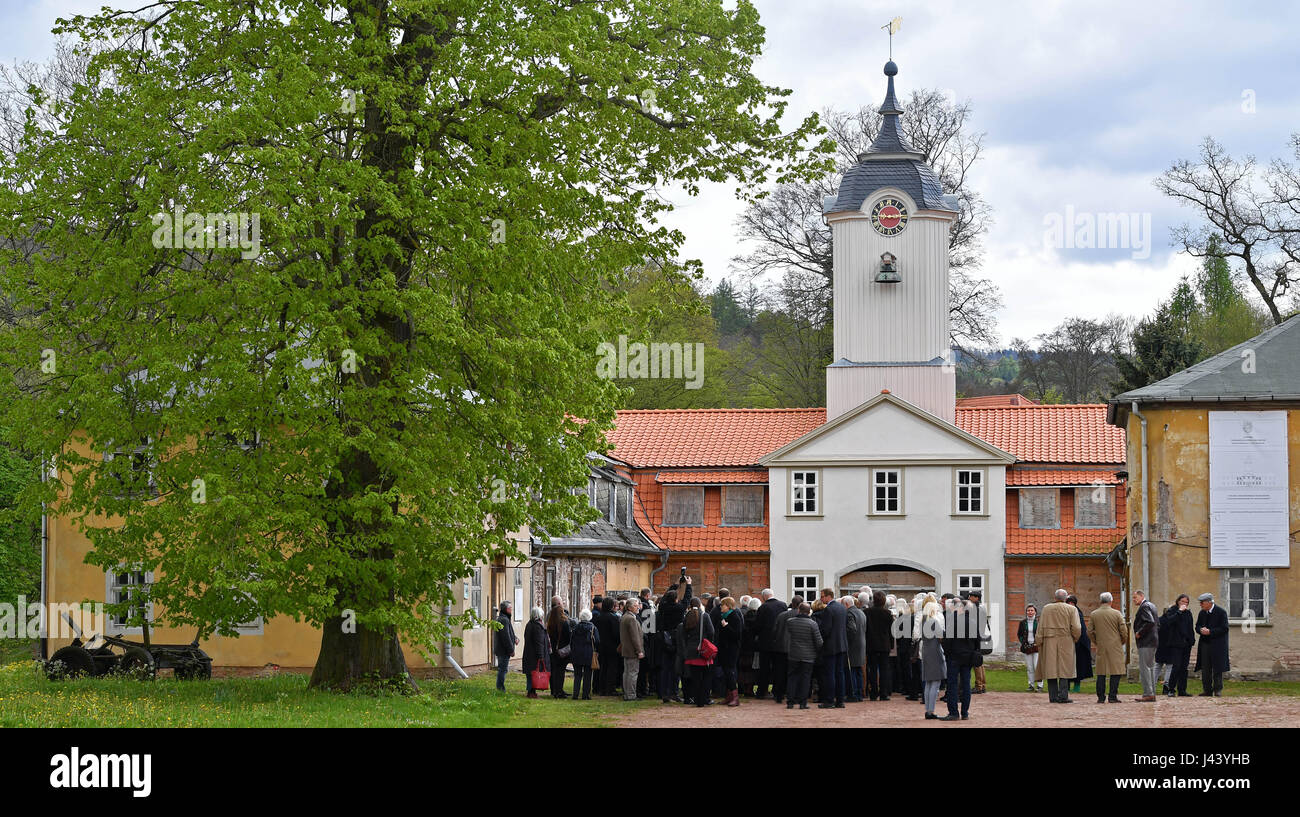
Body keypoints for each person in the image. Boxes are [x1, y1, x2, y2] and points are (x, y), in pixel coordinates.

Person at [940, 596, 979, 721]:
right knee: (966, 684)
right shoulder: (973, 623)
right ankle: (965, 712)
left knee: (952, 684)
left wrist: (948, 653)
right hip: (967, 657)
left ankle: (953, 712)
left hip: (954, 657)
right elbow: (977, 641)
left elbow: (947, 642)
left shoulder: (953, 622)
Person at [1039, 589, 1081, 704]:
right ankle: (1063, 695)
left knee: (1051, 668)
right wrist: (1075, 638)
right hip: (1066, 639)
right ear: (1066, 598)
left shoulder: (1046, 608)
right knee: (1065, 668)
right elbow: (1076, 627)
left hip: (1049, 640)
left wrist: (1039, 640)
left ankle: (1053, 696)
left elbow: (1040, 625)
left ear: (1055, 597)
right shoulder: (1072, 609)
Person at [1088, 592, 1128, 704]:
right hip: (1115, 645)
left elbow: (1090, 631)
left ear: (1100, 601)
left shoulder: (1094, 614)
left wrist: (1096, 641)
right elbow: (1123, 630)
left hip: (1101, 645)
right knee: (1116, 671)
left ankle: (1101, 697)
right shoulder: (1117, 613)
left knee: (1101, 672)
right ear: (1111, 601)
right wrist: (1122, 641)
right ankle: (1112, 696)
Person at [656, 577, 692, 703]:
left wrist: (675, 585)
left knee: (665, 667)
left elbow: (665, 597)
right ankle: (673, 692)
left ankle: (664, 693)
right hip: (676, 639)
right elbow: (687, 599)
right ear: (676, 599)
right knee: (676, 667)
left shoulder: (663, 607)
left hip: (664, 638)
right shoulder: (679, 608)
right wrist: (688, 585)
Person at [783, 601, 823, 710]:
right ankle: (803, 703)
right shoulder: (812, 624)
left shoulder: (790, 622)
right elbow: (819, 642)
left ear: (799, 610)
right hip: (808, 656)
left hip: (793, 654)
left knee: (792, 678)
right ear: (809, 612)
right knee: (805, 679)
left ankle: (790, 702)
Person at [678, 597, 716, 707]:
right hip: (703, 651)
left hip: (691, 651)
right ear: (700, 605)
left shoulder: (688, 616)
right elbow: (711, 632)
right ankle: (704, 699)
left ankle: (696, 699)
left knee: (695, 678)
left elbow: (684, 633)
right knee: (706, 677)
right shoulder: (705, 616)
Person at [1156, 594, 1195, 697]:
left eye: (1186, 602)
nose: (1184, 604)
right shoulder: (1172, 611)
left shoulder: (1188, 613)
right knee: (1176, 666)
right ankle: (1171, 689)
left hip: (1186, 643)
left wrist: (1192, 640)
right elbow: (1169, 622)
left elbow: (1190, 627)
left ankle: (1182, 690)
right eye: (1182, 601)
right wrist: (1179, 611)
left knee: (1184, 668)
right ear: (1178, 601)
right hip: (1176, 643)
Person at [755, 588, 788, 702]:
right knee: (779, 668)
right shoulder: (783, 605)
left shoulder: (763, 608)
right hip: (780, 642)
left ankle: (762, 691)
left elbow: (758, 625)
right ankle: (779, 691)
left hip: (765, 643)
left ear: (764, 597)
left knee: (764, 668)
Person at [817, 589, 848, 708]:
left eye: (822, 596)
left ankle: (829, 700)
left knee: (830, 674)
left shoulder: (829, 609)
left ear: (829, 596)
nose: (821, 599)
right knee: (840, 673)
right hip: (841, 645)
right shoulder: (841, 608)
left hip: (831, 646)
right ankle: (840, 700)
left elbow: (826, 630)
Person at [1194, 592, 1229, 697]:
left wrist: (1210, 631)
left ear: (1209, 602)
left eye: (1202, 602)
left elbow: (1224, 628)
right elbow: (1197, 626)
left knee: (1217, 668)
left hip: (1217, 644)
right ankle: (1207, 690)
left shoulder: (1221, 612)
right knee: (1205, 668)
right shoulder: (1202, 613)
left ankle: (1218, 690)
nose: (1200, 605)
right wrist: (1200, 630)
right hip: (1205, 644)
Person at [917, 600, 946, 719]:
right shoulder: (933, 621)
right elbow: (941, 636)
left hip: (926, 650)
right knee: (935, 682)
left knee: (929, 682)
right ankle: (931, 710)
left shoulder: (922, 621)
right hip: (934, 651)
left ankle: (928, 710)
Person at [865, 590, 894, 701]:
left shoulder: (867, 612)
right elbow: (891, 631)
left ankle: (873, 693)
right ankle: (884, 693)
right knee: (884, 670)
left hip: (871, 644)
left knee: (872, 669)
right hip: (884, 645)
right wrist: (891, 645)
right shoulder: (887, 613)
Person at [1132, 589, 1160, 702]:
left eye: (1135, 598)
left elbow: (1150, 622)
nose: (1133, 600)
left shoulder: (1144, 607)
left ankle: (1148, 693)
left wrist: (1139, 632)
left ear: (1141, 596)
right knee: (1150, 667)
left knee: (1145, 668)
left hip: (1146, 641)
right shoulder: (1151, 605)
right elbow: (1157, 623)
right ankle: (1151, 693)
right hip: (1152, 640)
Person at [717, 596, 744, 706]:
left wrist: (726, 627)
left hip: (731, 649)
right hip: (724, 649)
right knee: (726, 672)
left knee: (730, 672)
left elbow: (737, 635)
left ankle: (734, 697)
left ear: (728, 606)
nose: (720, 607)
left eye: (722, 605)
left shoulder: (734, 616)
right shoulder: (724, 616)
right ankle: (729, 696)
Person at [545, 596, 572, 699]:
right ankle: (559, 691)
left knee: (554, 670)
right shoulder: (564, 622)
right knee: (561, 672)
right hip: (562, 650)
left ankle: (554, 690)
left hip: (552, 649)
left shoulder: (550, 621)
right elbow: (568, 636)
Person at [570, 608, 600, 700]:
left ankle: (575, 694)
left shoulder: (575, 628)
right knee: (588, 675)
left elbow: (571, 641)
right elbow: (597, 641)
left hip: (576, 653)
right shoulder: (593, 628)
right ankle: (585, 695)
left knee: (577, 675)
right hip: (588, 653)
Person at [522, 607, 551, 699]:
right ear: (539, 616)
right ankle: (531, 692)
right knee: (534, 673)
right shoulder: (537, 626)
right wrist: (541, 656)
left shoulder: (529, 624)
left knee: (530, 673)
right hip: (534, 655)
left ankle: (531, 691)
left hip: (529, 653)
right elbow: (539, 643)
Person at [1066, 594, 1092, 694]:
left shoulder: (1077, 612)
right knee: (1067, 666)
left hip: (1079, 644)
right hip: (1069, 643)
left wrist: (1076, 639)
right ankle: (1066, 685)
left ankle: (1076, 685)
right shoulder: (1067, 612)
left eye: (1069, 603)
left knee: (1078, 665)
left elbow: (1079, 628)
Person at [619, 598, 645, 700]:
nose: (638, 607)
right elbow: (635, 637)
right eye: (635, 605)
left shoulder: (625, 617)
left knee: (627, 673)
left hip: (626, 649)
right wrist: (639, 651)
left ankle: (627, 693)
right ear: (629, 607)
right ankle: (631, 695)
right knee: (632, 673)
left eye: (637, 604)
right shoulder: (631, 619)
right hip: (632, 650)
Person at [596, 596, 621, 695]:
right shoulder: (613, 617)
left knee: (603, 667)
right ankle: (610, 688)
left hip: (601, 645)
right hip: (612, 646)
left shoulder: (599, 616)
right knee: (612, 668)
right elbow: (616, 633)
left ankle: (602, 688)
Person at [894, 597, 917, 701]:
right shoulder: (914, 618)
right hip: (910, 646)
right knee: (910, 669)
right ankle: (911, 688)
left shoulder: (905, 618)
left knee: (906, 669)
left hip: (905, 646)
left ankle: (907, 688)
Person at [845, 593, 867, 703]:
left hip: (853, 645)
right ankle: (859, 693)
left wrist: (846, 640)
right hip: (862, 644)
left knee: (853, 670)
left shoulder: (849, 613)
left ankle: (853, 694)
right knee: (858, 670)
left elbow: (851, 629)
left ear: (846, 604)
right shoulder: (861, 612)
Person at [968, 589, 991, 694]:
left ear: (977, 598)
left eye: (971, 596)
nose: (969, 598)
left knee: (976, 663)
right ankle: (982, 685)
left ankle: (979, 685)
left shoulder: (975, 608)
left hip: (975, 638)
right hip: (980, 636)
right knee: (980, 663)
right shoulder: (982, 608)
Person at [493, 600, 518, 692]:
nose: (512, 610)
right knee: (502, 669)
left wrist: (515, 638)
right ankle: (500, 688)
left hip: (501, 649)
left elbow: (509, 633)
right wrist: (511, 650)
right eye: (511, 608)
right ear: (507, 609)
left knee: (502, 669)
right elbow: (505, 637)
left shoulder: (504, 618)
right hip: (503, 650)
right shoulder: (504, 620)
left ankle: (500, 687)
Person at [1017, 605, 1042, 691]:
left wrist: (1037, 643)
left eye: (1032, 610)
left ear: (1035, 612)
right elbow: (1019, 634)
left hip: (1036, 647)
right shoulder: (1023, 622)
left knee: (1036, 666)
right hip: (1027, 647)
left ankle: (1040, 685)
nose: (1030, 612)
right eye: (1028, 611)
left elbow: (1042, 634)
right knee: (1030, 667)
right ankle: (1031, 685)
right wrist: (1023, 642)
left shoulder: (1039, 622)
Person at [636, 590, 656, 699]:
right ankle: (642, 689)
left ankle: (642, 689)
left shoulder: (642, 612)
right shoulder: (646, 611)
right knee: (643, 670)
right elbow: (649, 630)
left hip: (644, 641)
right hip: (644, 642)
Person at [739, 597, 761, 697]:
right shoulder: (758, 618)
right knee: (753, 669)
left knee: (744, 669)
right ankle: (750, 689)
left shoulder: (744, 616)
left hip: (744, 647)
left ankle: (744, 689)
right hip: (754, 647)